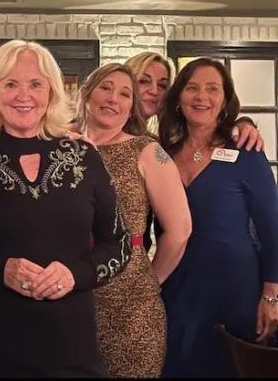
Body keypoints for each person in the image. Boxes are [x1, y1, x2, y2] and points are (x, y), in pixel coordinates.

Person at [0, 40, 131, 377]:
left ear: (52, 92)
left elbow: (119, 244)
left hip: (71, 349)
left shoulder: (84, 157)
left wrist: (76, 274)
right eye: (10, 84)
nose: (23, 95)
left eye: (35, 84)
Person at [158, 57, 278, 377]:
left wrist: (271, 295)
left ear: (225, 101)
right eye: (192, 88)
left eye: (213, 89)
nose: (202, 96)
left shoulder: (246, 151)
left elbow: (272, 226)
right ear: (179, 97)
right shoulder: (162, 152)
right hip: (177, 284)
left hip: (234, 288)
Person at [76, 63, 191, 377]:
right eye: (105, 88)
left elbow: (180, 230)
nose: (113, 98)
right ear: (86, 93)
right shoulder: (62, 145)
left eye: (125, 94)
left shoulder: (147, 151)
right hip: (69, 299)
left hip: (131, 309)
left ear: (132, 107)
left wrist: (151, 281)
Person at [125, 51, 264, 251]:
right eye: (144, 81)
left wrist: (243, 123)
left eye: (162, 85)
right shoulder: (93, 138)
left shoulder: (156, 147)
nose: (154, 91)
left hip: (139, 257)